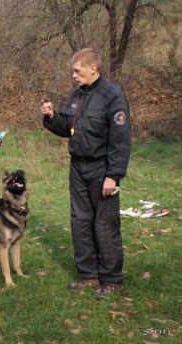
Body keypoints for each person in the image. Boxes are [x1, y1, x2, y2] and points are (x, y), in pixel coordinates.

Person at [41, 48, 131, 298]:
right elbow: (67, 127)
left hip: (102, 169)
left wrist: (113, 175)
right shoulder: (76, 96)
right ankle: (89, 275)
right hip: (78, 168)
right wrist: (51, 117)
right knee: (80, 223)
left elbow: (120, 141)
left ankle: (112, 279)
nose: (73, 76)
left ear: (94, 68)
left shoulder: (113, 97)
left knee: (104, 225)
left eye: (77, 71)